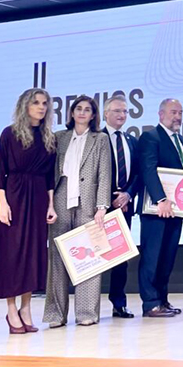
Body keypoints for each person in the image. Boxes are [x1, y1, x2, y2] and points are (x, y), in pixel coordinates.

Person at [0, 88, 58, 333]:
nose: (41, 107)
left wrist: (50, 204)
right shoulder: (9, 134)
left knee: (32, 254)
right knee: (11, 253)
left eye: (45, 103)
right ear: (25, 106)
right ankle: (11, 309)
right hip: (14, 196)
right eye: (36, 103)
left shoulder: (49, 136)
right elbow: (0, 171)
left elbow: (50, 176)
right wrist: (3, 204)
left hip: (39, 197)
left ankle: (26, 307)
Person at [43, 96, 112, 327]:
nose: (82, 113)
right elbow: (49, 173)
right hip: (61, 202)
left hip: (89, 205)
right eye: (78, 109)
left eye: (87, 110)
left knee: (89, 259)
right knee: (57, 259)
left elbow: (105, 174)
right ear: (72, 113)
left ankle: (86, 313)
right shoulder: (59, 138)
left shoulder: (100, 139)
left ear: (93, 115)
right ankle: (56, 314)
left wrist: (102, 206)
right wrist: (49, 203)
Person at [137, 98, 183, 318]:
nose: (177, 117)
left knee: (167, 256)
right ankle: (150, 303)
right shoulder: (151, 137)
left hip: (175, 210)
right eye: (173, 112)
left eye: (180, 112)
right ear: (160, 115)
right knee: (152, 256)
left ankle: (162, 300)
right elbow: (148, 170)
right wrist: (160, 199)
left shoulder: (179, 140)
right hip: (156, 210)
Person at [102, 96, 139, 318]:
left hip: (125, 207)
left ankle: (119, 303)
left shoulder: (131, 140)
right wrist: (110, 198)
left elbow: (137, 173)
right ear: (106, 113)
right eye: (117, 111)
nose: (121, 115)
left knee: (121, 258)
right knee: (96, 256)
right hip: (99, 206)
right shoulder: (96, 138)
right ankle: (88, 305)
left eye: (125, 111)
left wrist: (127, 195)